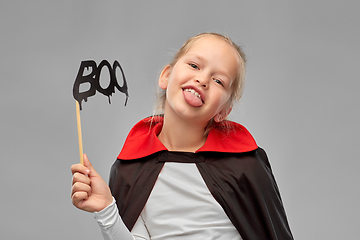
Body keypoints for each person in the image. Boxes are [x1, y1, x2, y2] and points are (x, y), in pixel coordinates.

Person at [71, 33, 294, 240]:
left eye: (219, 81)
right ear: (166, 76)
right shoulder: (131, 168)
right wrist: (106, 208)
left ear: (223, 111)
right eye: (194, 65)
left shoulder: (245, 165)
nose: (203, 79)